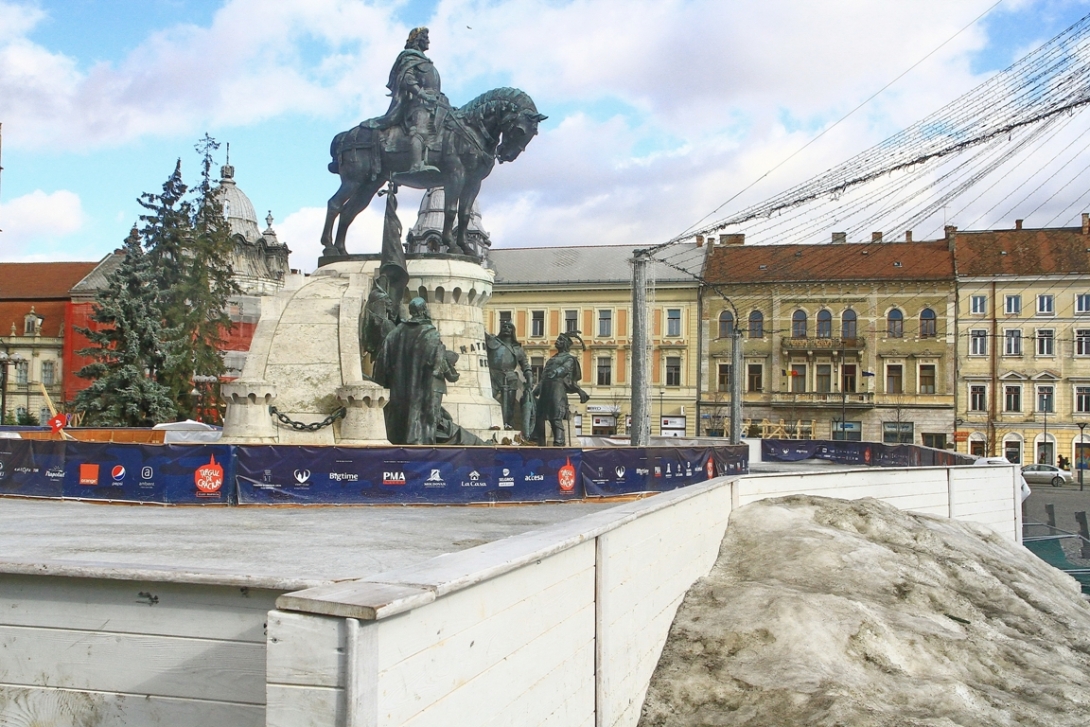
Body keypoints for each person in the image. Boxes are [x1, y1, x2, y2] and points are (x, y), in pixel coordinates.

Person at [372, 297, 451, 444]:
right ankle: (423, 449)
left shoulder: (394, 334)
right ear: (424, 310)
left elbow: (382, 363)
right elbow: (436, 364)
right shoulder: (431, 334)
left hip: (399, 390)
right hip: (424, 389)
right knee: (424, 420)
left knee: (400, 420)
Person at [371, 27, 446, 175]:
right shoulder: (409, 58)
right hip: (419, 104)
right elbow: (407, 79)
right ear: (418, 40)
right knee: (420, 131)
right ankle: (416, 165)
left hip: (437, 103)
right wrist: (423, 95)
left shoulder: (424, 61)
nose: (429, 41)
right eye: (426, 38)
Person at [531, 331, 590, 446]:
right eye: (557, 339)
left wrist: (557, 372)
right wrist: (538, 388)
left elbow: (566, 368)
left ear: (566, 344)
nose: (557, 341)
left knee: (555, 413)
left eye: (560, 340)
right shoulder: (552, 358)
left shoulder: (569, 358)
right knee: (540, 413)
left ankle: (559, 439)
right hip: (546, 387)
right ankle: (537, 438)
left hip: (557, 386)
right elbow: (544, 375)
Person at [485, 320, 533, 432]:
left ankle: (507, 425)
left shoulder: (517, 349)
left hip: (510, 377)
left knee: (509, 406)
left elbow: (525, 365)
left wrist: (529, 378)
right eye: (504, 326)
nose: (507, 329)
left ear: (513, 331)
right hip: (493, 375)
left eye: (509, 327)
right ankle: (489, 422)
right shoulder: (492, 342)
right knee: (489, 398)